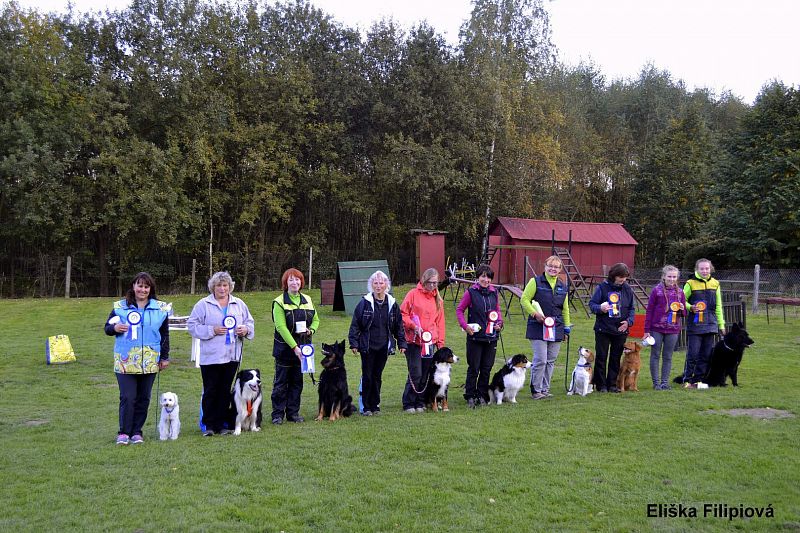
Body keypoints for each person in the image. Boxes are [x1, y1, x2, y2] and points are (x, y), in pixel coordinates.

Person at [105, 272, 171, 445]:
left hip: (150, 360)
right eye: (140, 285)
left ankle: (136, 432)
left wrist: (164, 357)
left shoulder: (160, 309)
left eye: (146, 286)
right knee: (128, 396)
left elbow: (164, 334)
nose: (143, 289)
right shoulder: (120, 307)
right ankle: (123, 432)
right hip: (125, 360)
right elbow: (107, 328)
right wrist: (115, 328)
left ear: (151, 289)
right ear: (133, 286)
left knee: (144, 398)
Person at [188, 271, 255, 436]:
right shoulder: (203, 304)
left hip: (232, 355)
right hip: (211, 357)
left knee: (225, 391)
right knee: (211, 390)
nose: (222, 288)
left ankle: (222, 424)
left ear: (230, 286)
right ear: (213, 287)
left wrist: (245, 330)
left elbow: (250, 323)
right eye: (219, 285)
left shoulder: (239, 304)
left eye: (225, 285)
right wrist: (212, 330)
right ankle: (208, 425)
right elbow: (192, 325)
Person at [348, 270, 407, 416]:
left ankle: (375, 405)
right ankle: (366, 407)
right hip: (367, 346)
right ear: (371, 285)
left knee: (377, 376)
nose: (378, 286)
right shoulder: (364, 303)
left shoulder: (392, 304)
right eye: (375, 283)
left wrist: (402, 343)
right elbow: (355, 324)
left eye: (381, 283)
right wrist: (354, 343)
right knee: (367, 375)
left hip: (383, 346)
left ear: (386, 284)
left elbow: (398, 326)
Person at [271, 267, 319, 424]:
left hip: (304, 348)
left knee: (297, 382)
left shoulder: (308, 299)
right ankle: (277, 414)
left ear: (301, 282)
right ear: (285, 283)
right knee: (281, 383)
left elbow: (316, 320)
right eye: (291, 279)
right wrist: (294, 348)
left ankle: (293, 413)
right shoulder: (279, 302)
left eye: (297, 279)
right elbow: (281, 328)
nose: (294, 282)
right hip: (285, 349)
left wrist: (310, 330)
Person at [521, 256, 572, 399]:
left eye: (556, 267)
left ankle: (545, 388)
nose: (553, 269)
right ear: (545, 266)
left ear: (560, 269)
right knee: (541, 359)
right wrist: (534, 313)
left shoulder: (563, 286)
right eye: (550, 266)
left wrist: (567, 327)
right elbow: (524, 299)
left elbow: (565, 309)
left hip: (557, 327)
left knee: (551, 360)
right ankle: (536, 390)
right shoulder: (535, 282)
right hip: (538, 326)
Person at [456, 264, 503, 408]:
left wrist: (500, 324)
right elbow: (459, 310)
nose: (486, 280)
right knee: (474, 368)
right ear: (478, 277)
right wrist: (465, 326)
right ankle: (470, 395)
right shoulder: (470, 292)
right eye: (483, 276)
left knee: (486, 368)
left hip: (491, 338)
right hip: (475, 338)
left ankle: (482, 394)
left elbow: (498, 312)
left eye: (488, 277)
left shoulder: (494, 293)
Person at [400, 267, 446, 413]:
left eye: (436, 283)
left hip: (430, 343)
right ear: (424, 281)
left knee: (426, 373)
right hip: (413, 341)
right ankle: (408, 402)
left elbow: (440, 322)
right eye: (431, 282)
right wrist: (413, 326)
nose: (433, 285)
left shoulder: (437, 299)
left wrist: (440, 342)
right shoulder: (412, 294)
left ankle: (420, 402)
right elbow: (402, 314)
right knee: (416, 372)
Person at [589, 263, 635, 393]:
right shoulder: (602, 288)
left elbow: (632, 308)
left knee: (616, 357)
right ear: (613, 275)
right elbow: (592, 305)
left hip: (621, 330)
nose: (623, 279)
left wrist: (629, 322)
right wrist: (601, 308)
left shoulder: (627, 289)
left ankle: (612, 384)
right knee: (601, 357)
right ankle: (601, 384)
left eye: (625, 277)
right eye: (621, 277)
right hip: (603, 328)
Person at [681, 258, 725, 385]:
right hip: (695, 324)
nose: (705, 271)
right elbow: (682, 300)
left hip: (711, 324)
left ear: (710, 269)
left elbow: (718, 306)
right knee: (693, 354)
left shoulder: (716, 283)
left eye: (707, 268)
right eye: (702, 268)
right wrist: (690, 307)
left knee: (706, 355)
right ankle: (687, 378)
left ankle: (699, 379)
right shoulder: (690, 283)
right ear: (697, 269)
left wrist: (721, 324)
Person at [643, 265, 686, 390]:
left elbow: (683, 314)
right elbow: (649, 310)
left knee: (668, 356)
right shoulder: (656, 290)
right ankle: (656, 383)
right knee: (655, 355)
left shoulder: (681, 292)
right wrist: (646, 330)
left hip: (673, 329)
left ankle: (665, 383)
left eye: (674, 277)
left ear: (677, 278)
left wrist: (682, 310)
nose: (672, 279)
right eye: (669, 276)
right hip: (656, 328)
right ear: (664, 276)